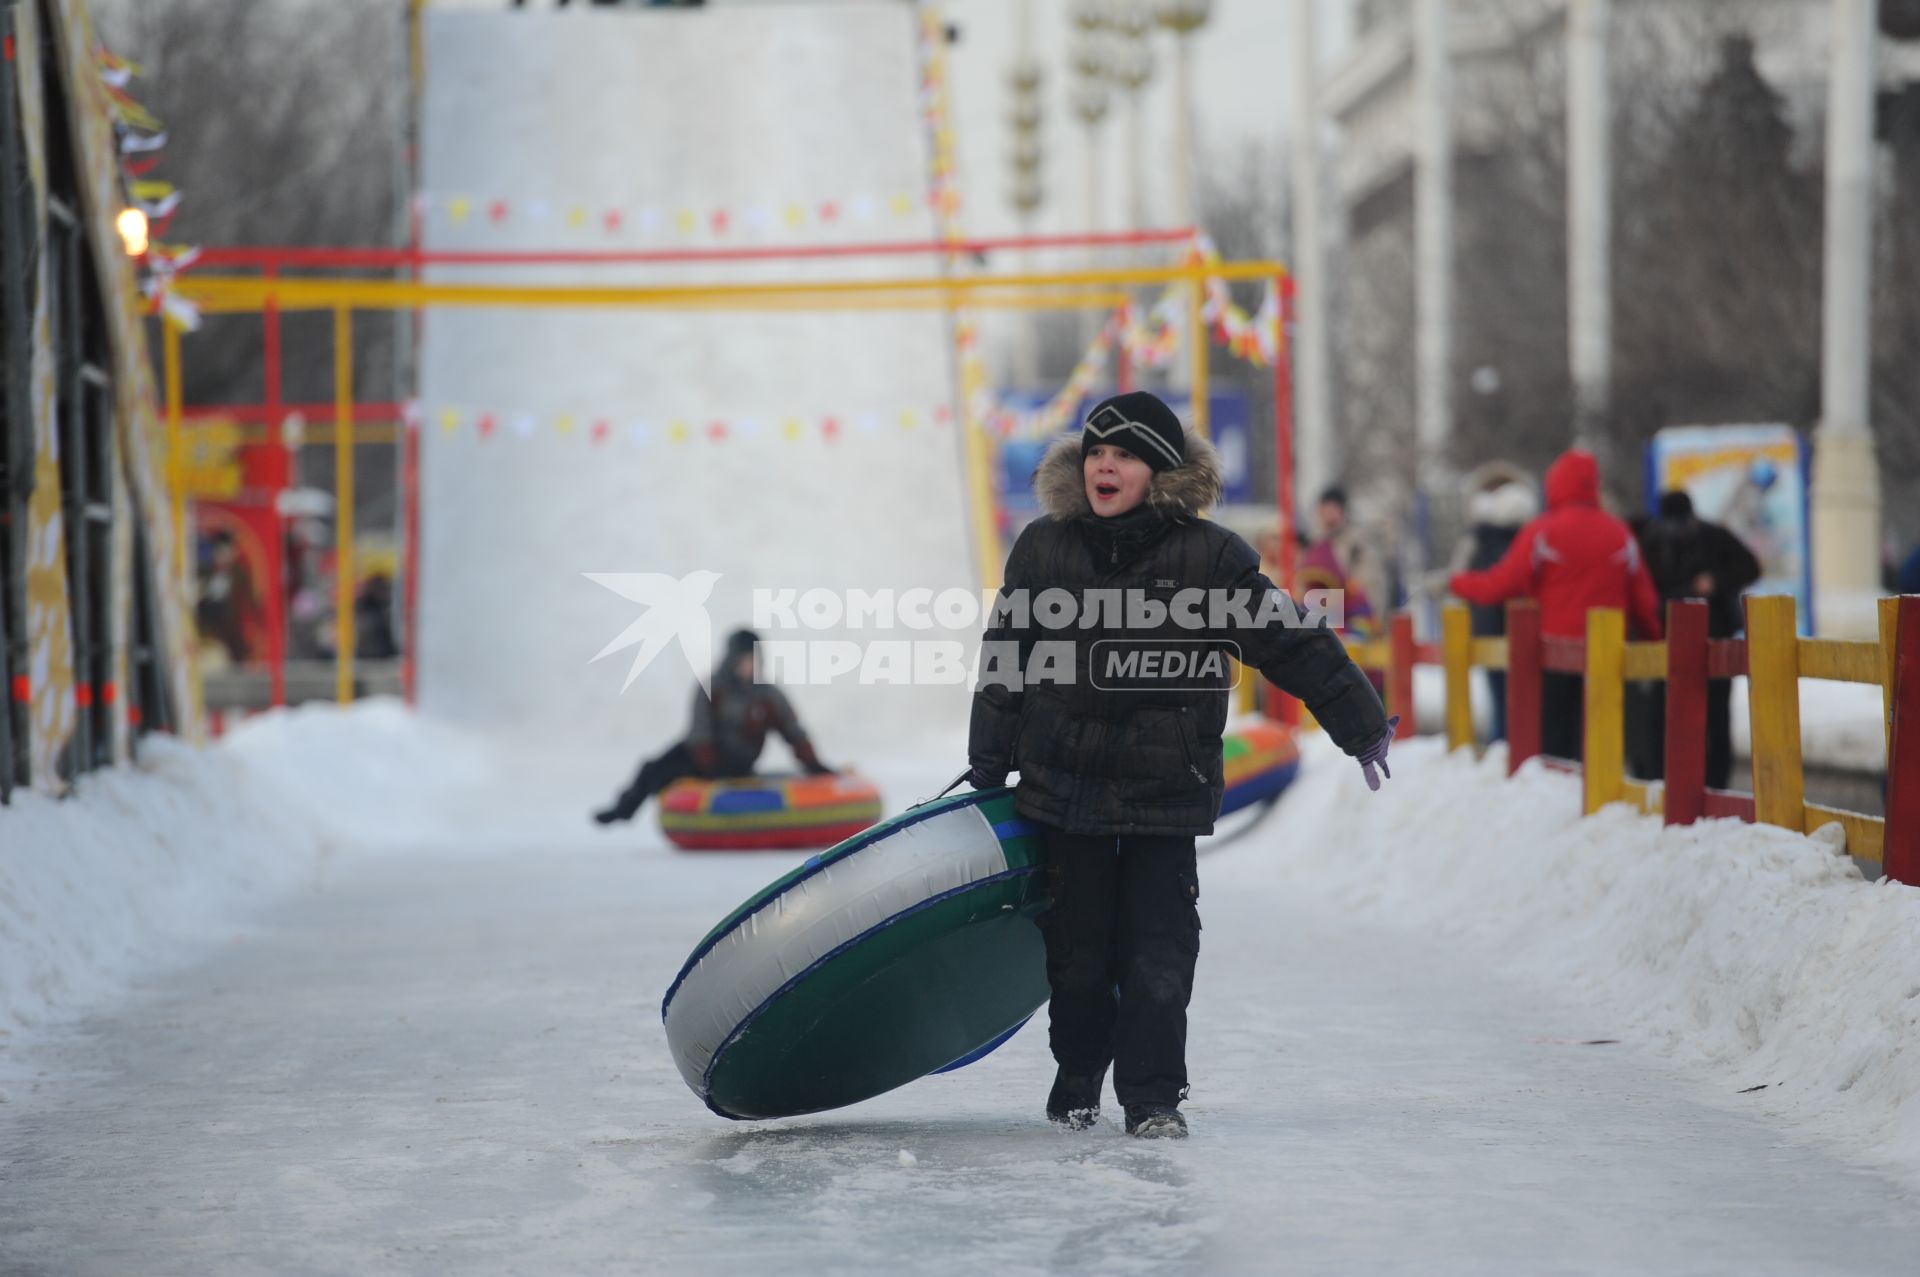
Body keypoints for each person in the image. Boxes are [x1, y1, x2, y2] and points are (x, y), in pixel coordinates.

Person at [966, 391, 1395, 1141]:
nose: (1106, 464)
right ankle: (1076, 1076)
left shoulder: (1210, 558)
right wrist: (987, 760)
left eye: (1124, 454)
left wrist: (1358, 723)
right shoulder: (1043, 547)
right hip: (1065, 788)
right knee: (1077, 956)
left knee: (1161, 951)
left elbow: (1291, 639)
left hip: (1167, 788)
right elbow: (1006, 658)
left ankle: (1153, 1097)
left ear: (1158, 472)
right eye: (1097, 450)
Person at [1448, 448, 1662, 762]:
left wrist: (1457, 582)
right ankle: (1600, 803)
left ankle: (1558, 800)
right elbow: (1644, 599)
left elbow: (1502, 584)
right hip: (1609, 657)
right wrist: (1652, 646)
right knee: (1601, 741)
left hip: (1553, 655)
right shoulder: (1619, 534)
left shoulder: (1543, 531)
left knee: (1553, 745)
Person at [593, 628, 837, 826]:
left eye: (754, 660)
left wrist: (813, 764)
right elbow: (700, 733)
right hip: (701, 757)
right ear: (732, 659)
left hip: (737, 762)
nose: (749, 666)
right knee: (652, 770)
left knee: (663, 773)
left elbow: (793, 731)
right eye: (744, 660)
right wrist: (712, 771)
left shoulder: (768, 695)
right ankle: (623, 809)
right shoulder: (713, 688)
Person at [1632, 490, 1763, 788]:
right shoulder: (1650, 540)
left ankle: (1703, 784)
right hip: (1671, 641)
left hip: (1704, 641)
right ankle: (1672, 781)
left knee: (1706, 716)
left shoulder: (1711, 537)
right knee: (1671, 715)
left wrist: (1714, 580)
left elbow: (1750, 566)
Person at [1448, 466, 1538, 743]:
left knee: (1501, 696)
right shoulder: (1529, 536)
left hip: (1489, 625)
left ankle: (1504, 748)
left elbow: (1465, 578)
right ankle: (1514, 748)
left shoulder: (1477, 539)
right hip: (1523, 628)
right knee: (1520, 698)